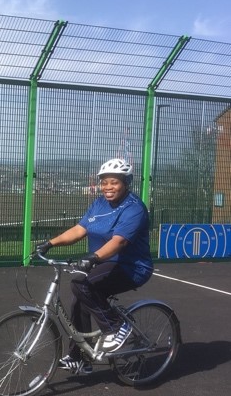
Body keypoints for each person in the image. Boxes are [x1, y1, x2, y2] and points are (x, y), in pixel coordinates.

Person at [35, 158, 153, 375]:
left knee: (80, 284)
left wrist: (92, 257)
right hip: (103, 263)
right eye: (104, 182)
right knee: (79, 302)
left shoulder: (134, 208)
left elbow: (119, 242)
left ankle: (116, 327)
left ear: (126, 183)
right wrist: (50, 243)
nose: (108, 187)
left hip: (131, 267)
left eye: (114, 182)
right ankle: (81, 358)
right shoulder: (99, 204)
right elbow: (79, 230)